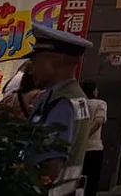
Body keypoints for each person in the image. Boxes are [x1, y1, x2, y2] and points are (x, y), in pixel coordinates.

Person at [23, 25, 94, 196]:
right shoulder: (75, 97)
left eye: (35, 61)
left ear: (55, 61)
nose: (31, 69)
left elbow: (51, 167)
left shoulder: (62, 102)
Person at [83, 80, 108, 196]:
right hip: (94, 148)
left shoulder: (77, 103)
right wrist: (86, 135)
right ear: (94, 91)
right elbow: (98, 121)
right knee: (92, 182)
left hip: (78, 148)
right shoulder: (100, 103)